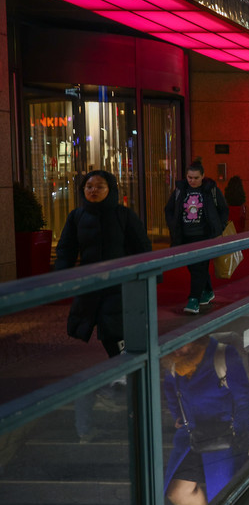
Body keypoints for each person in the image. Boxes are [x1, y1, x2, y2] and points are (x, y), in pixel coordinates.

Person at [56, 170, 152, 441]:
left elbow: (141, 247)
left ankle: (122, 373)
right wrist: (61, 275)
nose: (93, 190)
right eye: (88, 186)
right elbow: (66, 248)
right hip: (90, 287)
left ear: (111, 189)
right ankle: (121, 370)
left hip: (119, 285)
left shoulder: (123, 216)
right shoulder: (77, 217)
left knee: (112, 328)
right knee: (95, 326)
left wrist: (149, 277)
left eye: (99, 186)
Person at [163, 336, 249, 505]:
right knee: (177, 493)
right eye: (173, 346)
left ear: (197, 340)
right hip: (192, 435)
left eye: (182, 345)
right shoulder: (174, 363)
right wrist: (177, 414)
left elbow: (244, 398)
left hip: (225, 436)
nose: (177, 351)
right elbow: (170, 388)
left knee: (223, 497)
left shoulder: (221, 355)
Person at [164, 161, 229, 315]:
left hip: (204, 236)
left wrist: (219, 228)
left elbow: (223, 209)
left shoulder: (210, 190)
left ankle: (193, 300)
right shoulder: (181, 190)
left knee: (199, 267)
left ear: (202, 176)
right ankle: (207, 290)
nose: (192, 180)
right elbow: (169, 209)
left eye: (195, 177)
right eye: (189, 177)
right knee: (193, 267)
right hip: (184, 236)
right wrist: (173, 226)